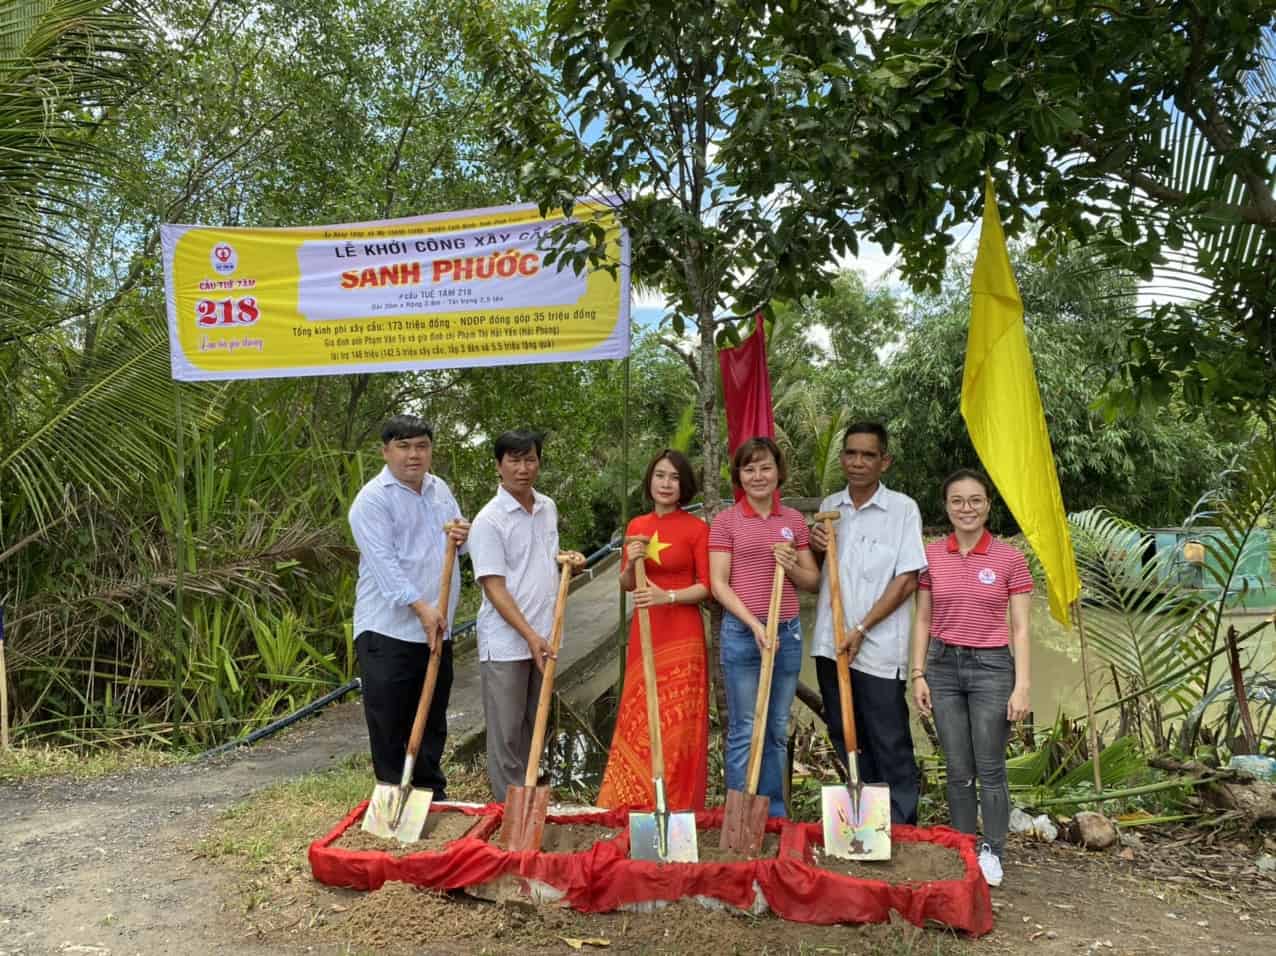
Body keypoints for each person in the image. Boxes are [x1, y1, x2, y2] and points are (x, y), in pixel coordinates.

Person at [910, 468, 1033, 888]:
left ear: (988, 506)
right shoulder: (929, 555)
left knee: (990, 766)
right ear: (946, 507)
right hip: (942, 667)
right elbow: (922, 619)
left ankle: (993, 851)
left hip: (992, 669)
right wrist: (918, 673)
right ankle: (964, 848)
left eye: (975, 500)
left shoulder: (1009, 559)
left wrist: (1022, 685)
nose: (967, 508)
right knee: (958, 767)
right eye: (957, 500)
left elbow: (1020, 628)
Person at [809, 422, 927, 825]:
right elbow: (816, 575)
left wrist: (861, 630)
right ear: (842, 457)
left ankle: (901, 826)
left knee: (888, 738)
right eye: (851, 453)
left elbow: (907, 580)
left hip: (878, 649)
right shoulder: (831, 508)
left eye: (868, 455)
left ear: (884, 461)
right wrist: (815, 546)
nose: (857, 462)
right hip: (831, 644)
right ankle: (866, 823)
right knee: (846, 735)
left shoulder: (902, 510)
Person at [348, 414, 470, 800]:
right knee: (389, 719)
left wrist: (463, 534)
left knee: (432, 714)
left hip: (437, 626)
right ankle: (391, 793)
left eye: (421, 446)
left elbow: (459, 544)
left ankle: (431, 794)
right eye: (403, 446)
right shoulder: (372, 501)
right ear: (385, 452)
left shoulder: (439, 489)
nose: (413, 455)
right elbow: (385, 567)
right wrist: (421, 608)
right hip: (388, 630)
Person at [709, 437, 821, 818]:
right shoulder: (726, 522)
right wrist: (754, 624)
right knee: (744, 728)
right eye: (749, 468)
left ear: (778, 472)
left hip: (786, 633)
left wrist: (790, 566)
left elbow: (812, 580)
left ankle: (773, 815)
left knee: (775, 727)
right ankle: (741, 815)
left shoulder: (792, 521)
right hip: (743, 635)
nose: (758, 476)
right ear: (739, 475)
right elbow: (719, 584)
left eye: (765, 467)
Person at [468, 430, 583, 799]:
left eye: (529, 459)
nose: (523, 468)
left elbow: (540, 562)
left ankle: (531, 801)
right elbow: (494, 587)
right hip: (507, 644)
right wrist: (530, 635)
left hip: (546, 636)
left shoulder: (547, 507)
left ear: (539, 462)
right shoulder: (488, 521)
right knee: (506, 733)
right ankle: (509, 810)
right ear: (498, 466)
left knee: (536, 726)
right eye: (514, 461)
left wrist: (569, 562)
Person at [597, 449, 711, 811]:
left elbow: (707, 586)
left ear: (684, 485)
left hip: (683, 633)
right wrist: (631, 563)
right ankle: (632, 802)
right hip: (645, 630)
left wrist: (669, 596)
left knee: (678, 723)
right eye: (660, 475)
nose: (666, 484)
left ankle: (677, 805)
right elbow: (626, 584)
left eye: (674, 478)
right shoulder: (636, 526)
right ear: (650, 481)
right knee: (641, 715)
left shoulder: (697, 529)